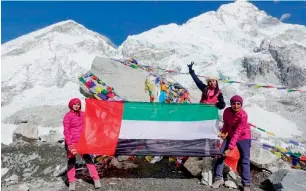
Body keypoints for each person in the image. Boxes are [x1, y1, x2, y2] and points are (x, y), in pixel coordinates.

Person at [212, 95, 251, 191]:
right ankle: (218, 178)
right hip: (230, 135)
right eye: (234, 103)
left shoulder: (243, 115)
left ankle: (246, 184)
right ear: (231, 104)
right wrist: (223, 133)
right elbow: (226, 124)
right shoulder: (227, 111)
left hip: (243, 137)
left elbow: (238, 132)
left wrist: (229, 148)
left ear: (241, 105)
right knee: (220, 155)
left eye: (238, 104)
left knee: (245, 159)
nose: (236, 106)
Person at [63, 98, 101, 191]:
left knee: (88, 159)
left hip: (82, 142)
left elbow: (91, 120)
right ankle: (72, 181)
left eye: (78, 104)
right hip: (72, 143)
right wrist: (69, 144)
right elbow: (66, 131)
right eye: (75, 104)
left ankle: (96, 179)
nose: (77, 106)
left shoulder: (83, 114)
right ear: (71, 105)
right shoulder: (67, 116)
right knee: (71, 161)